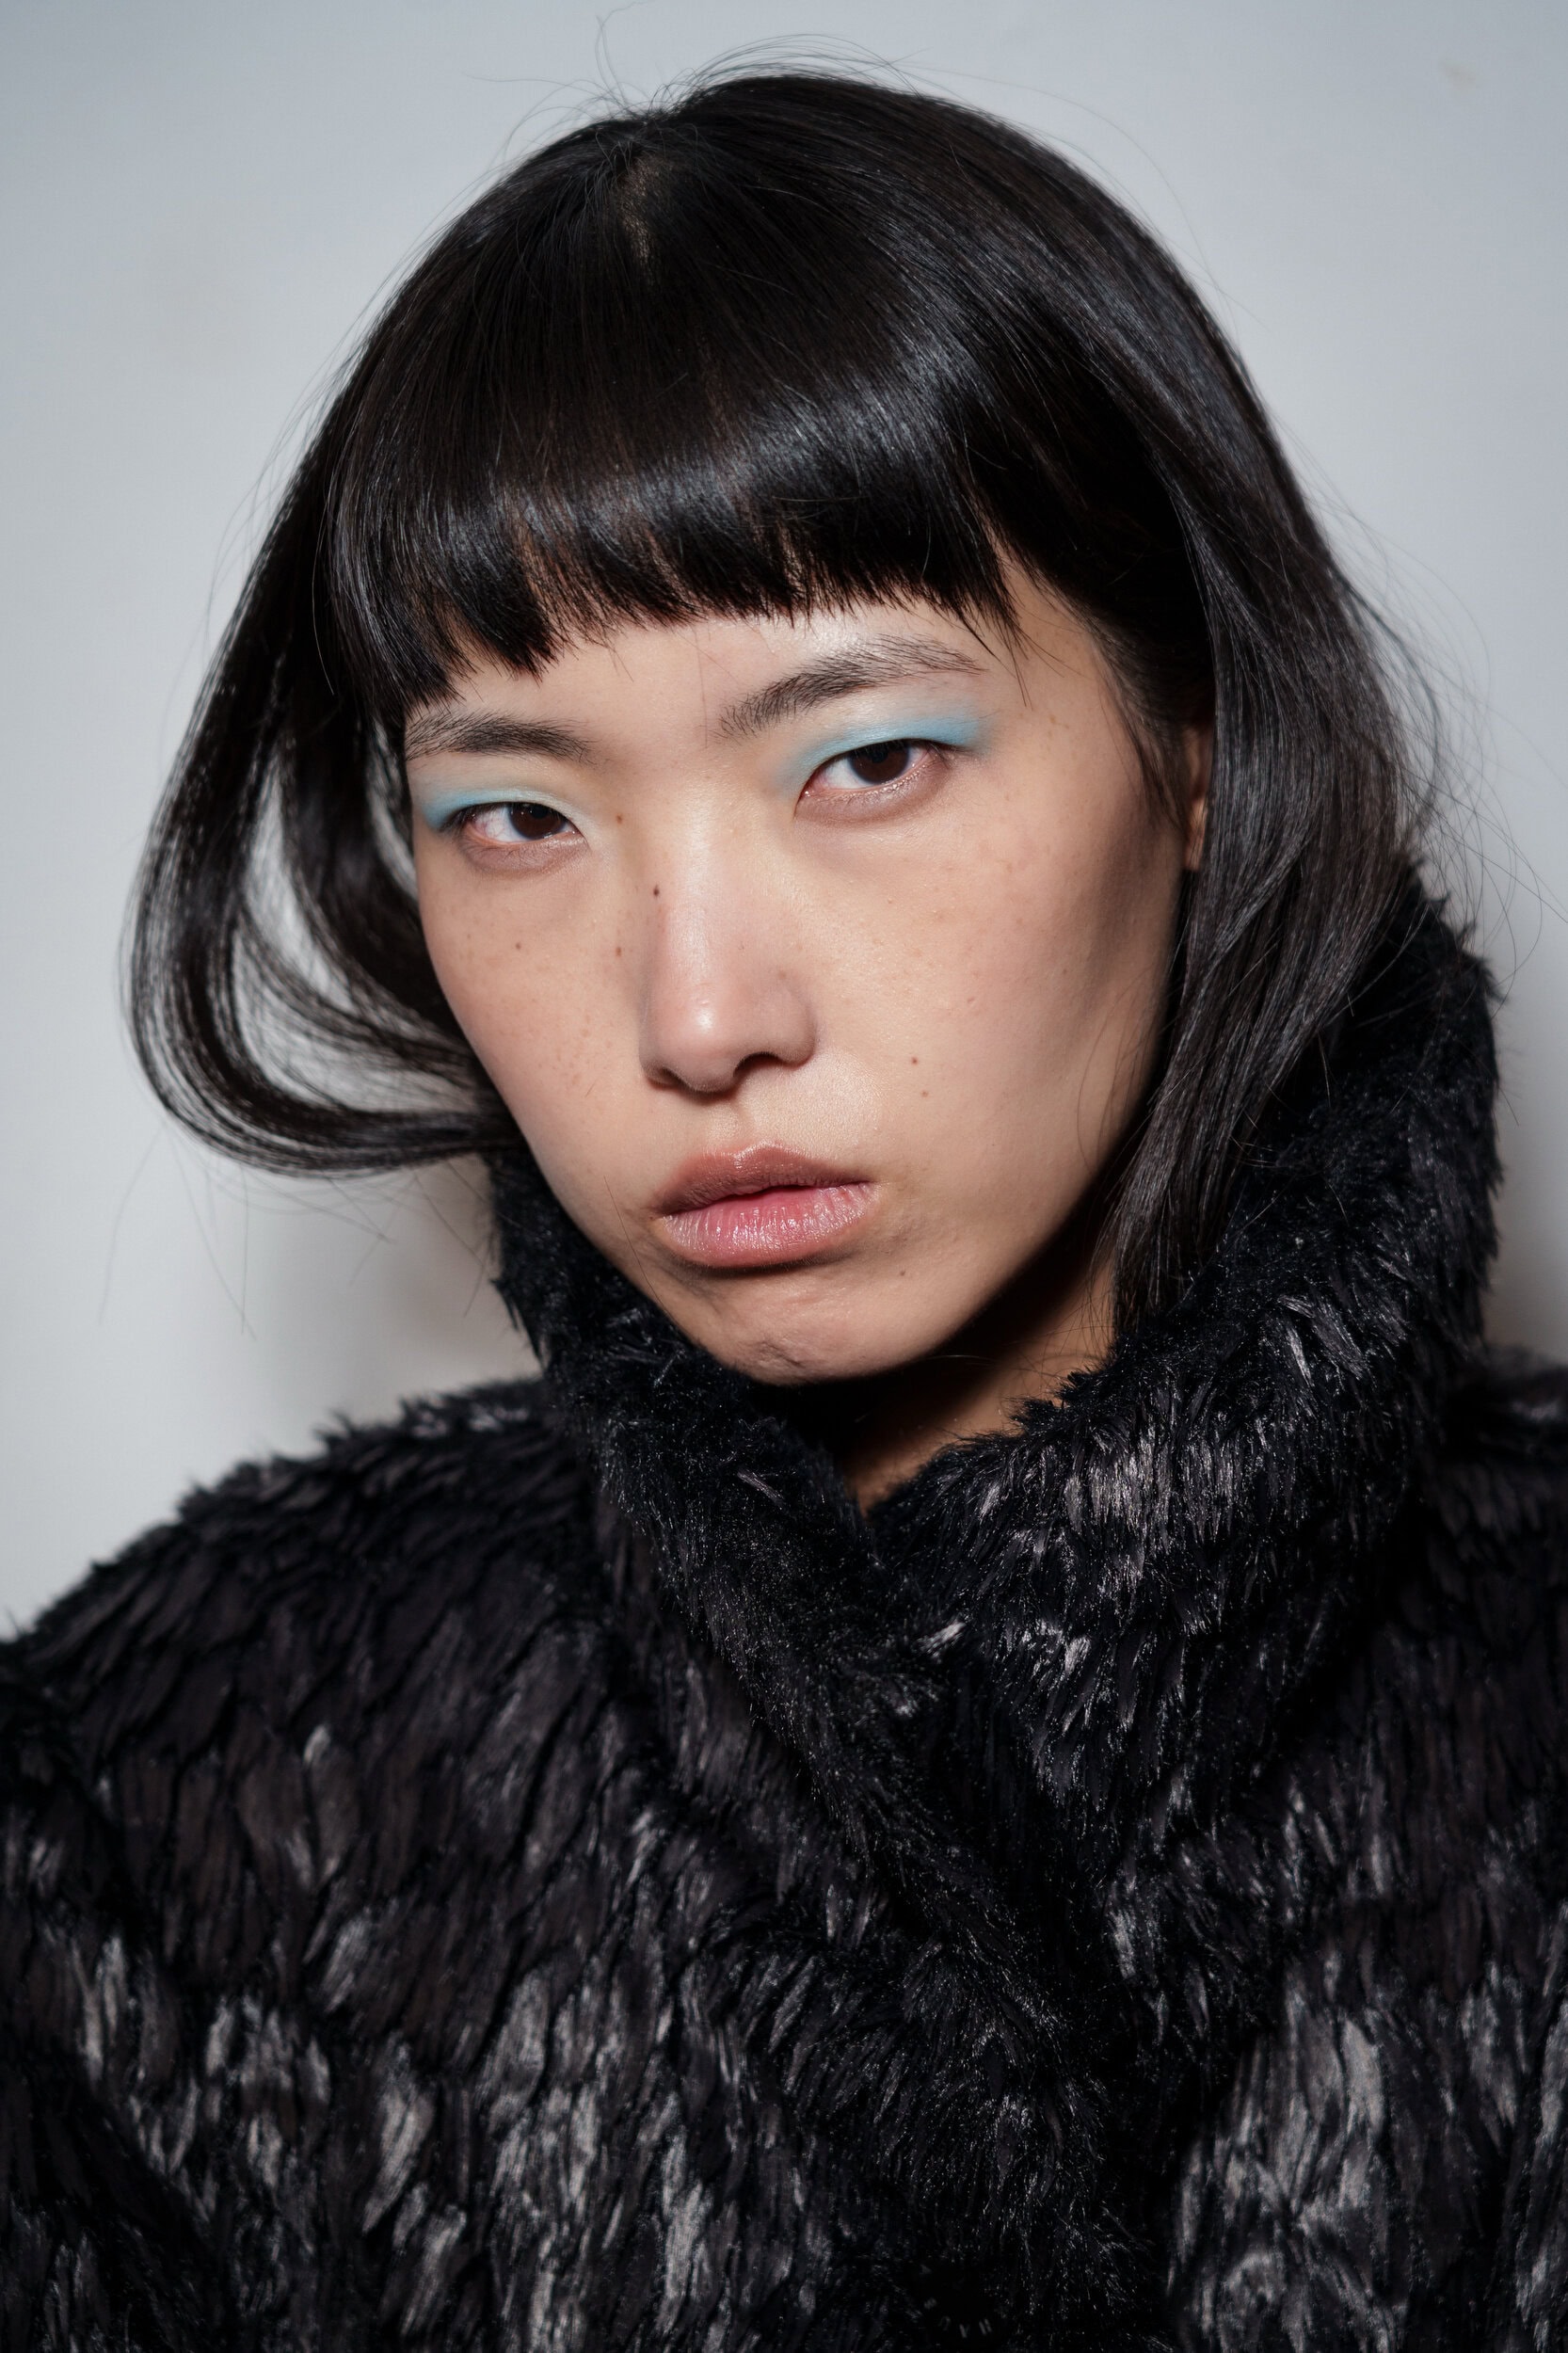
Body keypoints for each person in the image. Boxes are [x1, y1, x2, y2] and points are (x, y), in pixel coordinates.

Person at [4, 66, 1565, 2353]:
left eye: (867, 757)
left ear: (1199, 749)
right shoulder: (160, 1809)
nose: (695, 1016)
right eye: (515, 816)